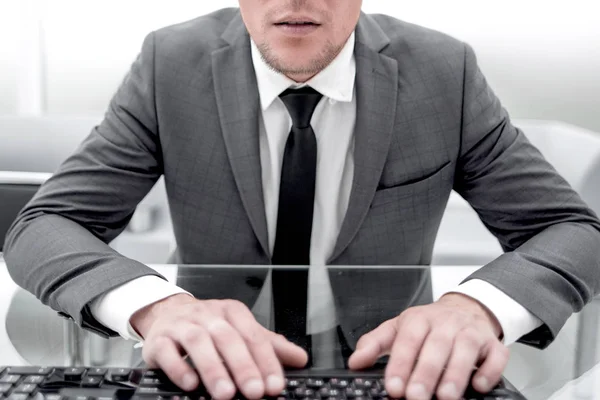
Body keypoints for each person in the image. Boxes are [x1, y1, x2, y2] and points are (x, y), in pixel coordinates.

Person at [4, 1, 600, 400]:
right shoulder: (170, 64)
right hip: (208, 365)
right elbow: (46, 225)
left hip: (393, 366)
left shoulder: (446, 71)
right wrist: (160, 308)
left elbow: (573, 231)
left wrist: (475, 309)